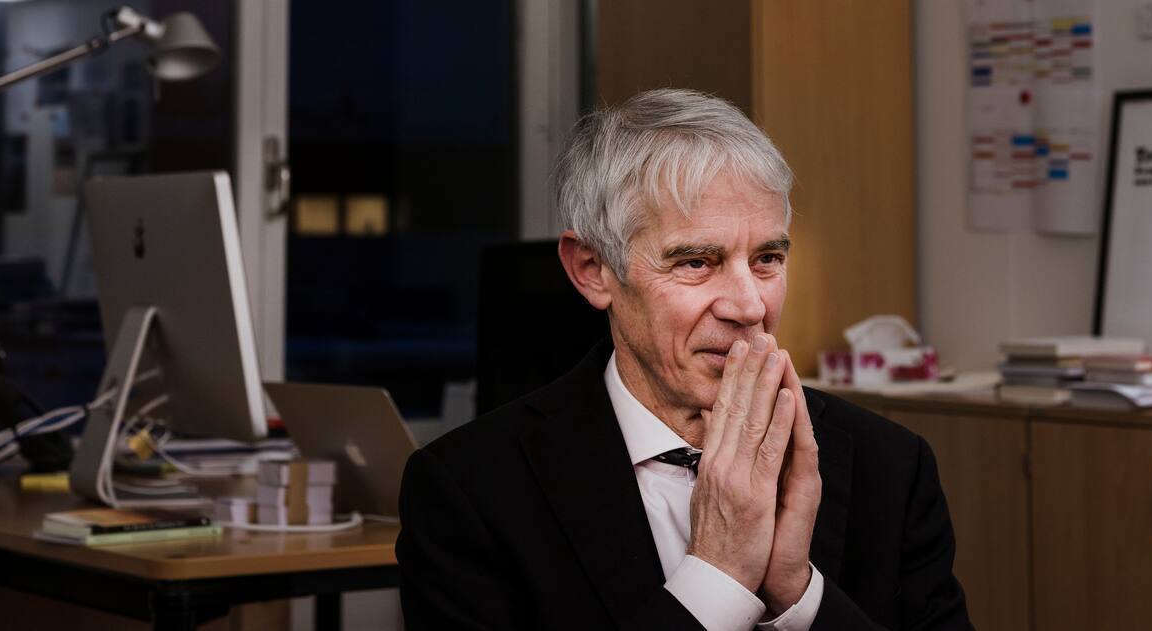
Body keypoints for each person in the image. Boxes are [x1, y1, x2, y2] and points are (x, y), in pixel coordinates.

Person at [398, 88, 972, 630]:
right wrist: (717, 579)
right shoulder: (470, 491)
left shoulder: (891, 467)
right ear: (593, 270)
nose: (750, 306)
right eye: (696, 262)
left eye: (768, 258)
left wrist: (796, 597)